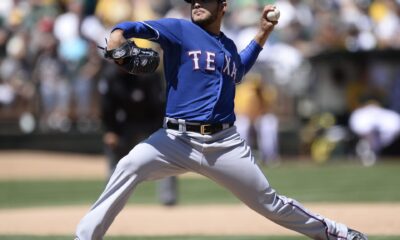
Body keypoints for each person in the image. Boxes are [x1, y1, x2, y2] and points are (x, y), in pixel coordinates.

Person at [75, 1, 368, 239]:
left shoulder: (226, 46)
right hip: (175, 140)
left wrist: (263, 33)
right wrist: (117, 34)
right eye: (194, 0)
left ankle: (339, 234)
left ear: (222, 6)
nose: (198, 3)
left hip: (224, 144)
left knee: (270, 203)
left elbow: (238, 70)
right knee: (129, 164)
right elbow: (134, 27)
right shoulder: (179, 29)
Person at [99, 62, 178, 206]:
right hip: (124, 125)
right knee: (113, 151)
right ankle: (110, 197)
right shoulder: (110, 76)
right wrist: (110, 130)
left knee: (167, 155)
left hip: (151, 123)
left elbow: (160, 106)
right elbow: (107, 107)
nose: (120, 65)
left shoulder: (148, 74)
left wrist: (162, 131)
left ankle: (168, 197)